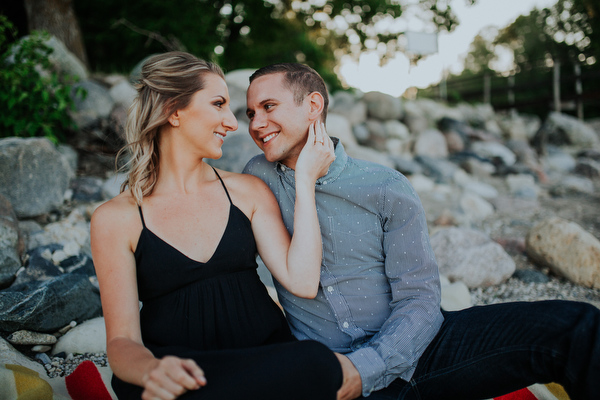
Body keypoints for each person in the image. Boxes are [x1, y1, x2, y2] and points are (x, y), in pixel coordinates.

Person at [243, 62, 600, 400]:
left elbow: (419, 297)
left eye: (268, 106)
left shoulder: (384, 186)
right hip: (329, 371)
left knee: (576, 326)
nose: (257, 123)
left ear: (313, 105)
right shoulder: (256, 180)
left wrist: (366, 367)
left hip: (420, 353)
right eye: (250, 113)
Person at [90, 52, 343, 400]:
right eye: (219, 104)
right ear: (173, 110)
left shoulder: (247, 191)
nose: (234, 122)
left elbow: (302, 280)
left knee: (319, 363)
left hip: (260, 358)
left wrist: (305, 180)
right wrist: (151, 371)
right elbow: (122, 342)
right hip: (180, 371)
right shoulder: (116, 218)